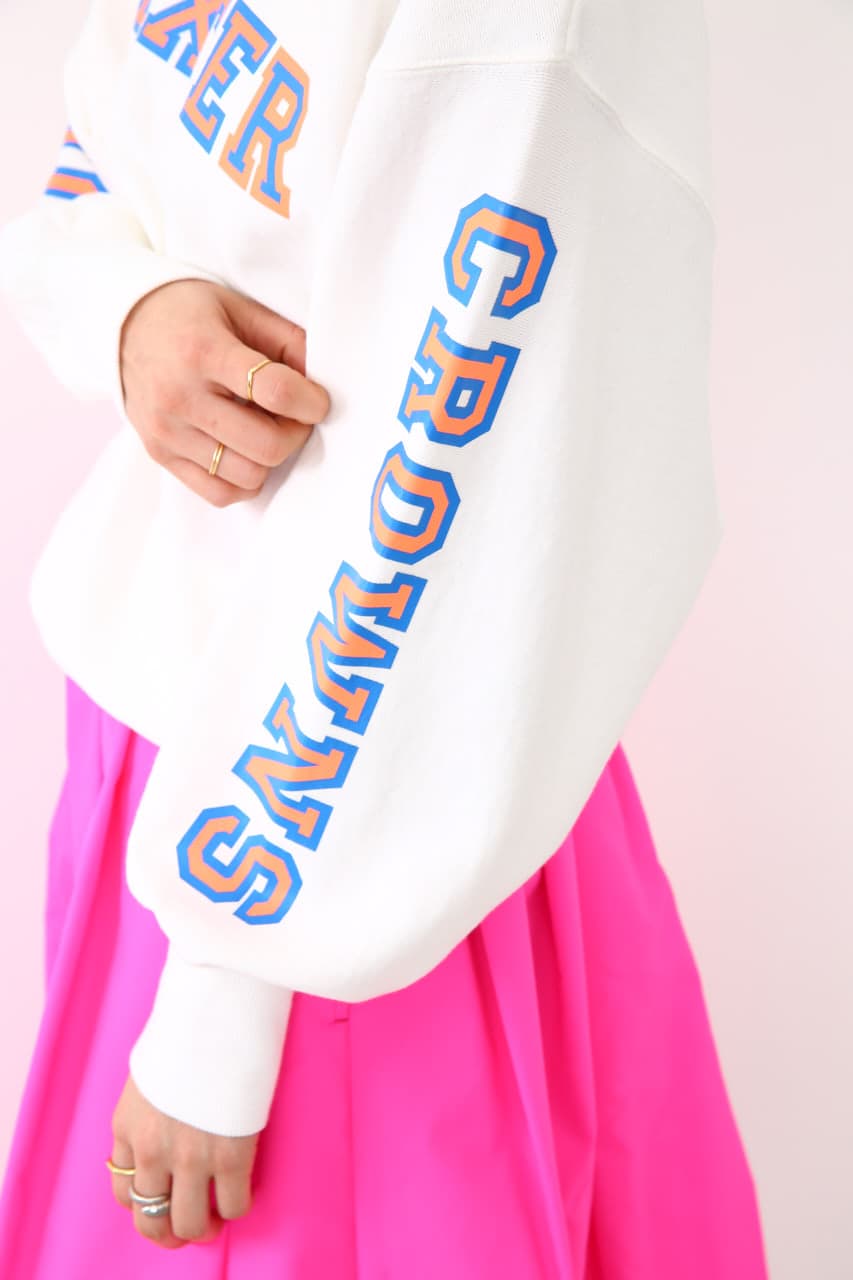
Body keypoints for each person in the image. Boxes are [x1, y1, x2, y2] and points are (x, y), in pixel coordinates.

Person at [0, 0, 771, 1273]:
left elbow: (456, 462)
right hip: (175, 747)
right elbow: (116, 116)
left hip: (354, 823)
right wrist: (130, 310)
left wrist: (228, 982)